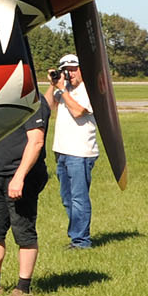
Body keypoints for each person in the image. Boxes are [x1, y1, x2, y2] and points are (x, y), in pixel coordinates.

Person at [0, 91, 51, 296]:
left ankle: (23, 288)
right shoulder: (5, 98)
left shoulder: (33, 99)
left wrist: (19, 177)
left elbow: (36, 142)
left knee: (23, 231)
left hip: (21, 175)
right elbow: (1, 139)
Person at [48, 52, 98, 249]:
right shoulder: (63, 89)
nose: (71, 74)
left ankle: (81, 241)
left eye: (74, 69)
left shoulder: (90, 90)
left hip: (81, 152)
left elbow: (78, 112)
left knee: (79, 198)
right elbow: (46, 106)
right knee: (67, 199)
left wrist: (62, 91)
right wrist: (54, 85)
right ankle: (76, 235)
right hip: (62, 151)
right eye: (66, 70)